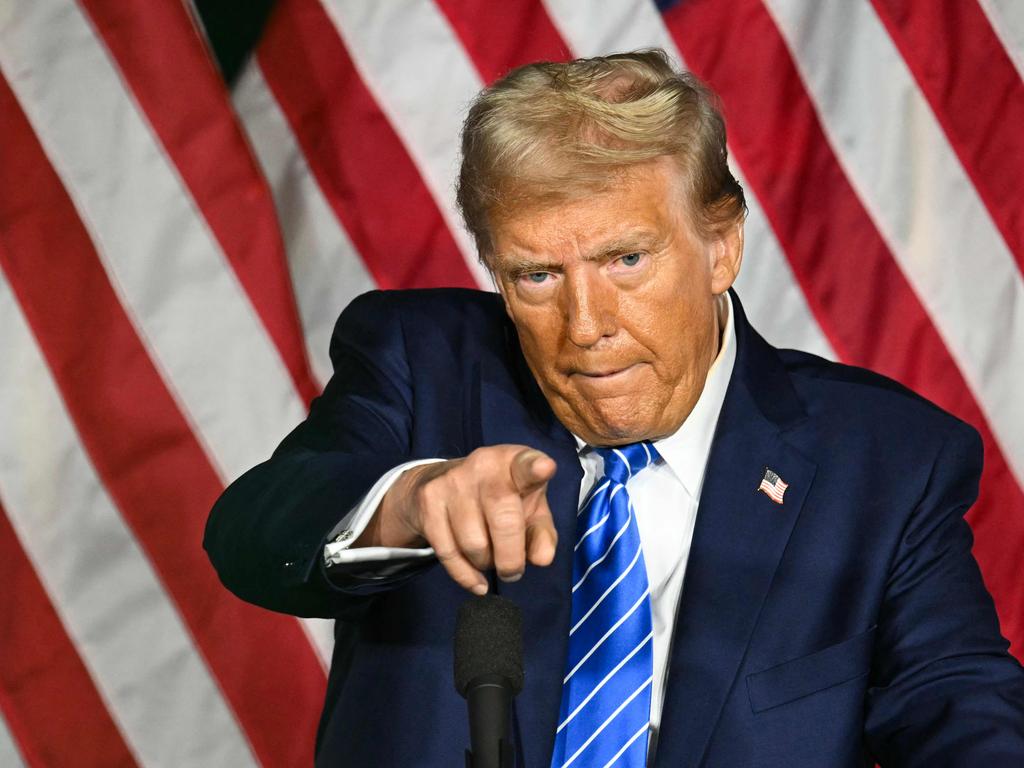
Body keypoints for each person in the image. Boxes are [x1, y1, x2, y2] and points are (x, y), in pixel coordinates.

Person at [204, 50, 1024, 767]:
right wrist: (412, 503)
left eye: (626, 259)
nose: (586, 327)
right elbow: (252, 533)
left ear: (721, 244)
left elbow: (958, 708)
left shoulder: (881, 460)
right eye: (537, 276)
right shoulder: (423, 363)